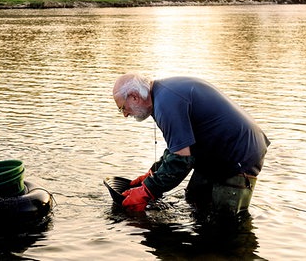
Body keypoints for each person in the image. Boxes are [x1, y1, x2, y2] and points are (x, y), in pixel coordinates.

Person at [112, 73, 270, 214]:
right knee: (195, 200)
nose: (125, 114)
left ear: (134, 96)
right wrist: (152, 174)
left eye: (123, 108)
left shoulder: (166, 103)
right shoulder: (161, 96)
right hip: (214, 152)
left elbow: (181, 161)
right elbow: (179, 147)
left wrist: (146, 191)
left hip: (239, 154)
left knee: (224, 222)